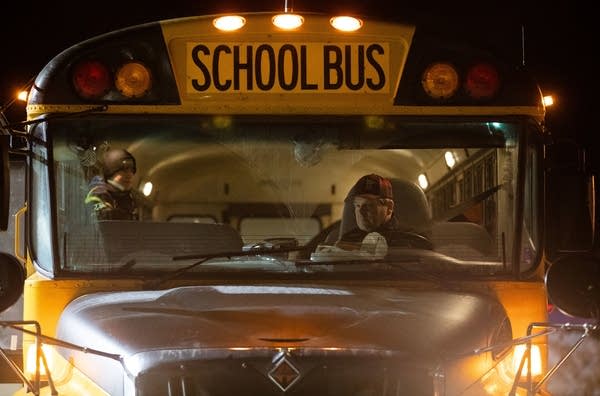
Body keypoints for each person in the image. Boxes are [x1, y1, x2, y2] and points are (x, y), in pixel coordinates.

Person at [336, 173, 432, 250]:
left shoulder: (410, 242)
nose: (361, 212)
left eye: (369, 205)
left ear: (389, 208)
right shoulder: (347, 242)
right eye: (357, 205)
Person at [85, 148, 140, 220]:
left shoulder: (131, 200)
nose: (129, 175)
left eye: (132, 170)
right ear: (110, 174)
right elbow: (101, 216)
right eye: (123, 171)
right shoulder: (96, 195)